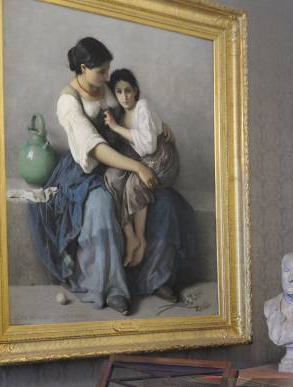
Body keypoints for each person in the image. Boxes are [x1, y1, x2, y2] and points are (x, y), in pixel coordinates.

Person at [29, 37, 194, 314]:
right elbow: (95, 149)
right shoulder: (68, 102)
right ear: (83, 68)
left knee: (163, 201)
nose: (108, 77)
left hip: (125, 159)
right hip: (88, 170)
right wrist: (138, 167)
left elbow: (131, 110)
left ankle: (155, 277)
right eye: (102, 71)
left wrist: (158, 126)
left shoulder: (104, 86)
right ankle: (110, 286)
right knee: (101, 206)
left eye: (108, 70)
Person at [103, 69, 180, 267]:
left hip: (163, 161)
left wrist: (116, 128)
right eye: (119, 92)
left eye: (128, 90)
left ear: (136, 91)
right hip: (145, 159)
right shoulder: (119, 115)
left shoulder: (142, 106)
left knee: (134, 184)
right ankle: (131, 237)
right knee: (112, 177)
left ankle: (140, 240)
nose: (124, 96)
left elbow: (148, 146)